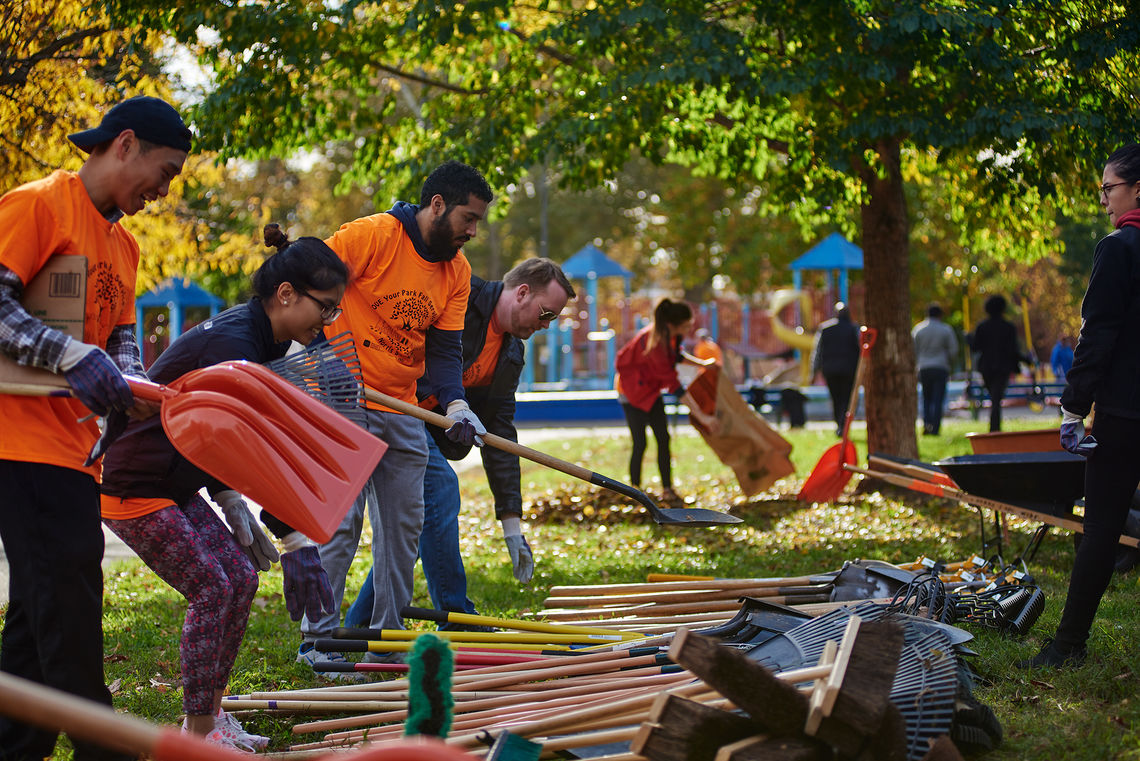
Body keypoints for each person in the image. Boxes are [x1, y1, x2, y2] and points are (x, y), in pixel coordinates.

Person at [98, 234, 346, 747]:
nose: (328, 323)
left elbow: (218, 437)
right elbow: (245, 445)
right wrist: (291, 533)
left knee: (240, 578)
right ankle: (198, 734)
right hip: (134, 483)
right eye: (325, 308)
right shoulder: (235, 345)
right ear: (285, 294)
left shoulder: (265, 339)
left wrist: (235, 504)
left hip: (177, 483)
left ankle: (212, 714)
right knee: (213, 589)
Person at [0, 95, 191, 760]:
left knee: (38, 613)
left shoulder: (124, 244)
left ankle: (15, 745)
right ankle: (105, 746)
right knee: (70, 599)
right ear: (126, 144)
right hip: (19, 442)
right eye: (164, 172)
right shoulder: (40, 205)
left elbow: (118, 340)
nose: (163, 191)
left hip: (75, 449)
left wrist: (133, 388)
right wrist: (70, 355)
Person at [296, 160, 494, 673]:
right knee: (341, 524)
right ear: (436, 205)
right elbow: (305, 295)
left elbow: (445, 349)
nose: (472, 232)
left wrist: (455, 404)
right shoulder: (372, 236)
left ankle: (385, 635)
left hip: (400, 404)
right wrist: (323, 360)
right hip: (341, 397)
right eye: (468, 219)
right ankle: (317, 640)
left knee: (404, 525)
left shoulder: (457, 272)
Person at [345, 258, 576, 630]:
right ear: (521, 292)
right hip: (389, 408)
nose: (546, 325)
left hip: (426, 431)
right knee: (440, 494)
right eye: (545, 313)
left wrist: (511, 525)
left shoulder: (511, 353)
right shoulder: (461, 300)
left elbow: (500, 434)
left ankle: (358, 627)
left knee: (417, 528)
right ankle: (456, 618)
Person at [1019, 143, 1140, 669]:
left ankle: (1067, 646)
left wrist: (1073, 408)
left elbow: (1098, 337)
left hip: (1124, 416)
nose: (1104, 200)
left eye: (1109, 188)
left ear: (1137, 189)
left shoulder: (1119, 249)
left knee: (1101, 532)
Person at [615, 298, 717, 505]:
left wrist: (703, 364)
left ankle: (667, 489)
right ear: (672, 324)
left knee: (663, 438)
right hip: (630, 392)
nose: (690, 328)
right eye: (687, 325)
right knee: (640, 443)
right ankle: (635, 490)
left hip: (650, 391)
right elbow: (675, 387)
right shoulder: (653, 343)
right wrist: (702, 416)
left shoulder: (669, 336)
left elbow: (676, 356)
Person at [968, 294, 1026, 432]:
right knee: (997, 395)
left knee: (994, 395)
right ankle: (995, 423)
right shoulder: (1008, 327)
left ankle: (994, 424)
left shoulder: (982, 326)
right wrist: (1025, 360)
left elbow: (976, 346)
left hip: (986, 367)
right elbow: (1013, 349)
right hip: (1003, 366)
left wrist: (968, 339)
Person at [811, 302, 860, 436]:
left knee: (836, 398)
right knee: (846, 398)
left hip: (830, 370)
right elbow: (860, 349)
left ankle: (839, 424)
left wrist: (814, 371)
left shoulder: (825, 328)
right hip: (849, 370)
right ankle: (843, 424)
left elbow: (817, 352)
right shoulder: (853, 328)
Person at [912, 303, 958, 435]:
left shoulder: (918, 329)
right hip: (940, 367)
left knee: (926, 398)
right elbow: (953, 350)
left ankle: (927, 424)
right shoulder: (946, 329)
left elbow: (913, 350)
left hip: (924, 367)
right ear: (940, 315)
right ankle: (936, 427)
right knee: (938, 399)